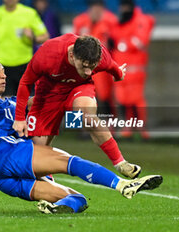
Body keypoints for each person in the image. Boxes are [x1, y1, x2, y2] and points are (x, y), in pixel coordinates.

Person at [0, 57, 163, 214]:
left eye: (4, 72)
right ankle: (123, 185)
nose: (3, 76)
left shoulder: (12, 102)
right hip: (7, 153)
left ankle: (53, 208)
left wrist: (64, 88)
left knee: (77, 199)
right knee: (70, 162)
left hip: (4, 178)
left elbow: (39, 102)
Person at [13, 34, 141, 179]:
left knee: (87, 116)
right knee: (38, 153)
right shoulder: (48, 54)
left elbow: (113, 67)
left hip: (79, 88)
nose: (88, 72)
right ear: (72, 55)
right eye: (84, 66)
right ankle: (50, 190)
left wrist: (119, 75)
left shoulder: (100, 56)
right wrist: (19, 118)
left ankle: (121, 164)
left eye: (92, 67)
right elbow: (25, 82)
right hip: (48, 94)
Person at [0, 0, 49, 96]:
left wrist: (32, 37)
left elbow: (45, 37)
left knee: (25, 102)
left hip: (24, 65)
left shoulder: (29, 13)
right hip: (0, 66)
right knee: (4, 102)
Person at [110, 0, 155, 139]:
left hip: (136, 68)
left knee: (136, 99)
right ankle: (129, 127)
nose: (123, 9)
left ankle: (143, 128)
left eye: (125, 6)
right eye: (122, 6)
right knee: (124, 99)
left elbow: (140, 42)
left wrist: (121, 44)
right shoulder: (122, 22)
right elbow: (115, 38)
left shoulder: (140, 20)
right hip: (123, 67)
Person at [73, 0, 117, 116]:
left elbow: (115, 42)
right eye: (94, 8)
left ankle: (109, 124)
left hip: (102, 66)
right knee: (78, 96)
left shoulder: (110, 21)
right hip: (82, 66)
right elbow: (74, 42)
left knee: (104, 96)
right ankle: (77, 127)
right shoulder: (80, 21)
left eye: (99, 8)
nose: (96, 11)